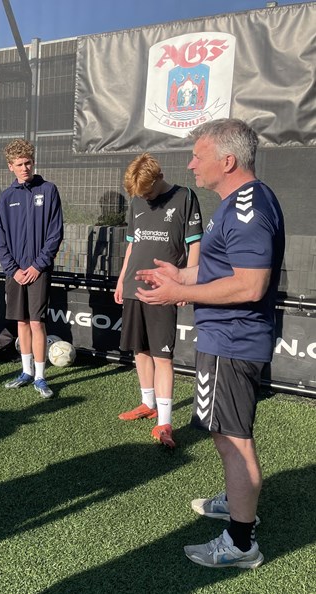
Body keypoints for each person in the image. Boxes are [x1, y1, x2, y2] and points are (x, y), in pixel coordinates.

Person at [136, 119, 285, 569]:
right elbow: (221, 269)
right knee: (225, 434)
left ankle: (241, 543)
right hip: (225, 339)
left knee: (234, 440)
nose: (191, 165)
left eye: (198, 156)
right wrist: (180, 275)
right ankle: (235, 503)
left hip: (233, 341)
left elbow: (250, 284)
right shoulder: (234, 203)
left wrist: (179, 293)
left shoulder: (248, 208)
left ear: (228, 160)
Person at [115, 153, 203, 448]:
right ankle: (147, 403)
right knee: (140, 349)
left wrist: (186, 283)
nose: (146, 198)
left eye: (149, 193)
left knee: (162, 356)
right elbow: (132, 245)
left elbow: (194, 244)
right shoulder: (137, 199)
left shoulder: (185, 197)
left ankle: (164, 422)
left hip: (164, 289)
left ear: (159, 177)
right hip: (134, 287)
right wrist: (121, 279)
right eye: (141, 195)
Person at [0, 139, 63, 399]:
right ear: (10, 166)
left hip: (38, 271)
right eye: (19, 164)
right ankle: (25, 371)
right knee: (21, 322)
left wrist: (37, 266)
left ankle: (40, 376)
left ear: (33, 163)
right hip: (15, 272)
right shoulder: (6, 197)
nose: (25, 168)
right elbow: (1, 239)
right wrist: (13, 269)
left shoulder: (48, 190)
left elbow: (55, 234)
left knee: (36, 322)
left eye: (28, 163)